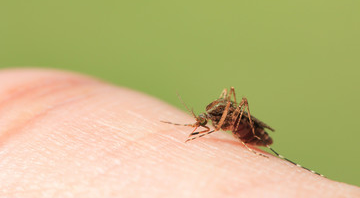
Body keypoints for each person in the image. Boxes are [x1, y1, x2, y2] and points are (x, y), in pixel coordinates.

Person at [0, 69, 358, 197]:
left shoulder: (223, 116)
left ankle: (246, 129)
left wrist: (235, 126)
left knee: (230, 99)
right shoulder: (208, 115)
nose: (198, 125)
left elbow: (226, 109)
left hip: (247, 128)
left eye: (201, 124)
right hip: (233, 122)